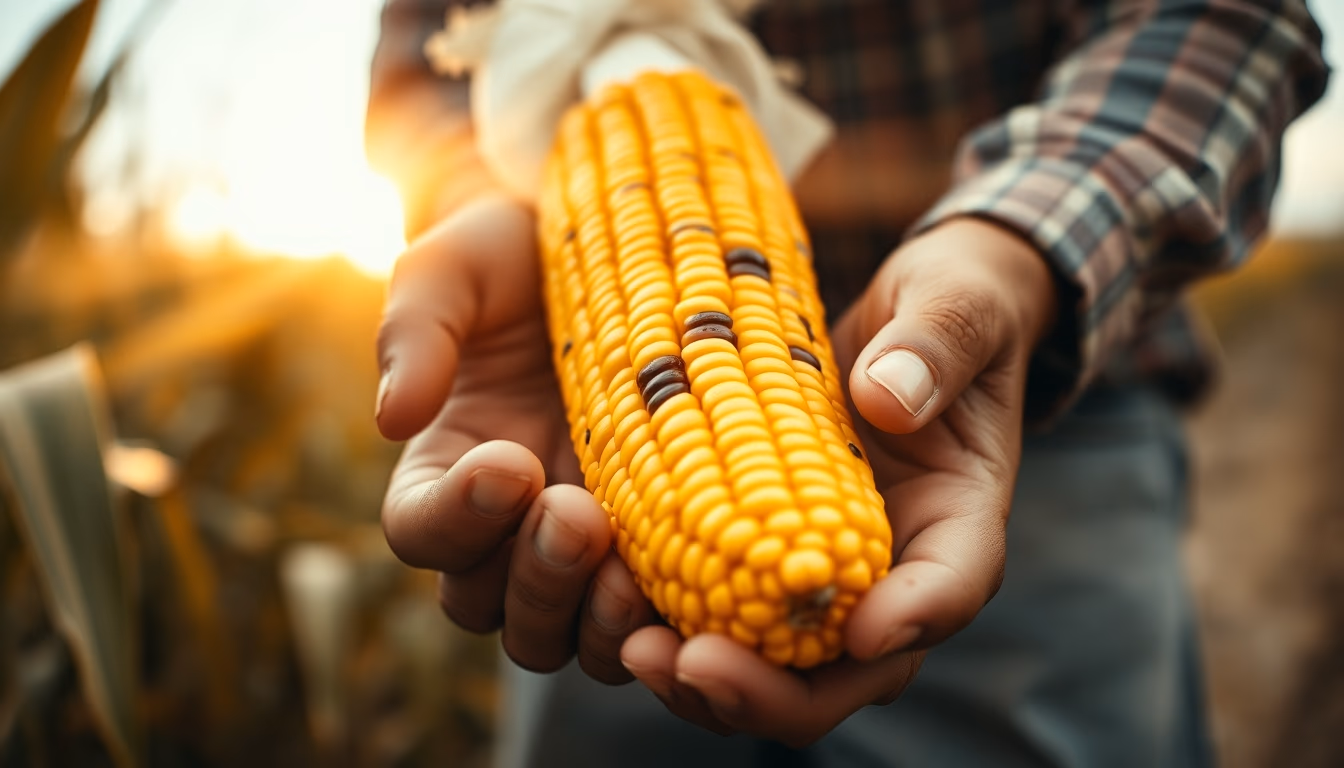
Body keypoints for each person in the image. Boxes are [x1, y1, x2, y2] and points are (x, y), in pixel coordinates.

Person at [365, 1, 1329, 766]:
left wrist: (1013, 248)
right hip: (584, 468)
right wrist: (483, 198)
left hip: (1021, 397)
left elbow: (1220, 16)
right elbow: (431, 62)